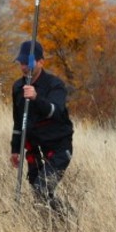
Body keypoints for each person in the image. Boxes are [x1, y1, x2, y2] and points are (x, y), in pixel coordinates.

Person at [10, 40, 74, 213]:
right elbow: (18, 121)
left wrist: (36, 99)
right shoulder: (17, 87)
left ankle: (68, 219)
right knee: (38, 191)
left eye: (29, 63)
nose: (25, 67)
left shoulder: (55, 85)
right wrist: (15, 149)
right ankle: (60, 221)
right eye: (22, 63)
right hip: (34, 149)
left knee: (41, 188)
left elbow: (56, 112)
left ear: (40, 62)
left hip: (59, 148)